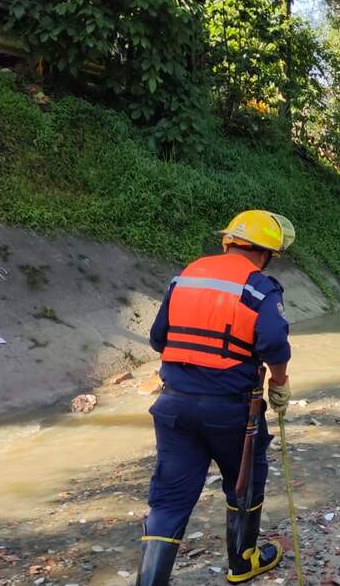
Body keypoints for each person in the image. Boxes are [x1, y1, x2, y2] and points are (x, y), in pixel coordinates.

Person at [135, 210, 296, 585]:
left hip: (173, 407)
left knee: (170, 498)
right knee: (245, 480)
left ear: (227, 242)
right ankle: (242, 563)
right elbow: (274, 344)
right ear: (264, 253)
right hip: (231, 410)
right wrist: (279, 383)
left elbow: (159, 338)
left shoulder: (185, 277)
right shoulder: (259, 288)